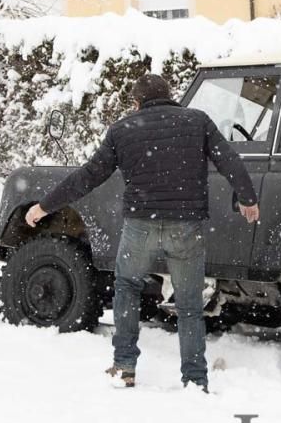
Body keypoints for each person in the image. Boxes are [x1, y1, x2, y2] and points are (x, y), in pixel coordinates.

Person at [24, 74, 260, 392]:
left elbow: (88, 177)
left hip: (141, 227)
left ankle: (124, 367)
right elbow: (229, 160)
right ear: (169, 96)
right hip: (185, 226)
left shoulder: (123, 130)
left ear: (137, 103)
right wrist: (246, 197)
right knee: (190, 305)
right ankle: (194, 378)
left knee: (127, 288)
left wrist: (44, 206)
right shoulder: (196, 121)